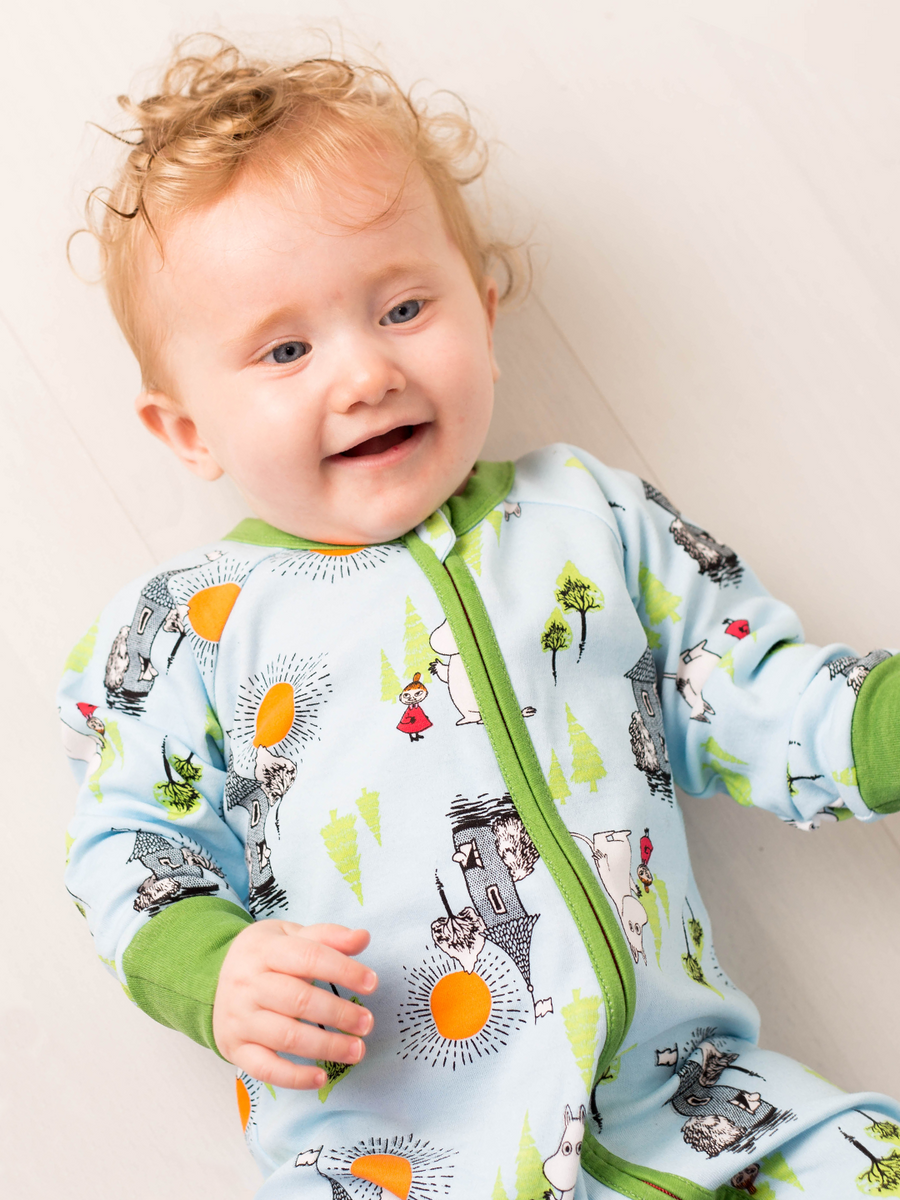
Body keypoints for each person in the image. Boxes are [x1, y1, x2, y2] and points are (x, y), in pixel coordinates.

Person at [58, 35, 900, 1200]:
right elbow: (131, 844)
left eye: (404, 307)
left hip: (702, 1113)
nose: (364, 374)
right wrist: (214, 968)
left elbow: (751, 689)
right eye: (287, 349)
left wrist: (877, 721)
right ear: (189, 429)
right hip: (396, 1162)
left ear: (485, 316)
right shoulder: (192, 629)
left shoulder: (590, 522)